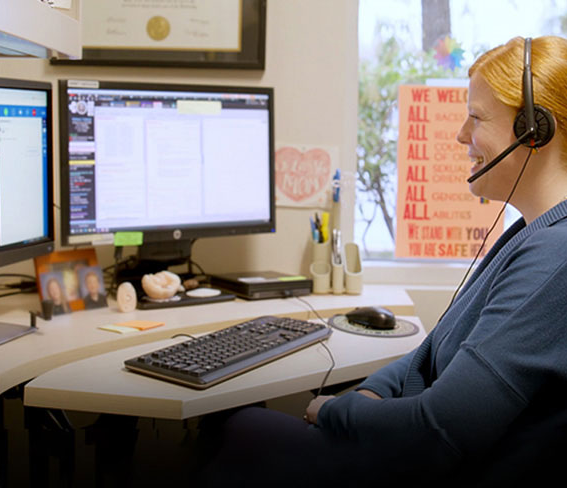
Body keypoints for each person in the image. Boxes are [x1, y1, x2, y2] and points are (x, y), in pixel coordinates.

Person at [193, 36, 567, 487]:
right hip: (415, 453)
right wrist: (370, 393)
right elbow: (430, 354)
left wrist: (335, 410)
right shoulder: (531, 232)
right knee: (241, 427)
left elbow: (437, 431)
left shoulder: (554, 258)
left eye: (476, 118)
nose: (461, 136)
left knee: (237, 428)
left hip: (431, 468)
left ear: (534, 131)